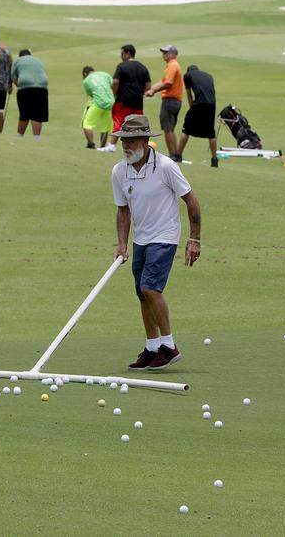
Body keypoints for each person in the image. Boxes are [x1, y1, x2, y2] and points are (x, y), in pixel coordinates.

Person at [111, 114, 202, 372]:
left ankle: (169, 346)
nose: (125, 145)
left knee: (150, 287)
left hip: (165, 236)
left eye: (130, 140)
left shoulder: (165, 167)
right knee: (142, 293)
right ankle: (152, 349)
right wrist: (121, 244)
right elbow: (123, 211)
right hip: (141, 238)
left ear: (144, 140)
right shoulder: (119, 171)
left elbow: (191, 200)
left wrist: (194, 238)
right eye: (122, 140)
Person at [100, 44, 151, 153]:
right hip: (137, 101)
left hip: (123, 100)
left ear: (128, 53)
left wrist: (114, 93)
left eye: (122, 53)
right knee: (136, 124)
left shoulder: (122, 66)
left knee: (119, 121)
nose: (121, 56)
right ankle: (138, 146)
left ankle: (112, 145)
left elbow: (115, 82)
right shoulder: (143, 67)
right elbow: (148, 86)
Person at [145, 45, 186, 161]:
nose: (164, 55)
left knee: (167, 129)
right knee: (170, 129)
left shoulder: (173, 65)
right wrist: (150, 89)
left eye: (166, 52)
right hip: (175, 100)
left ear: (173, 54)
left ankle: (173, 155)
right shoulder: (172, 65)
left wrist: (153, 90)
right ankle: (176, 154)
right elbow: (163, 81)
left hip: (170, 100)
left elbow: (168, 83)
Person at [180, 64, 218, 168]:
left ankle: (178, 155)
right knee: (211, 133)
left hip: (199, 103)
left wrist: (192, 107)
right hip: (212, 104)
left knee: (186, 129)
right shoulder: (209, 75)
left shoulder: (187, 75)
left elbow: (189, 94)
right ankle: (214, 160)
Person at [11, 48, 48, 139]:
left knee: (25, 114)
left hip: (26, 89)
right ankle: (37, 138)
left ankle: (20, 136)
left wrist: (19, 86)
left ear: (20, 55)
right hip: (42, 89)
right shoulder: (38, 60)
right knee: (37, 115)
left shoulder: (18, 61)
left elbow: (13, 77)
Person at [81, 66, 114, 149]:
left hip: (99, 103)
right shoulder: (104, 74)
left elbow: (91, 94)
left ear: (85, 74)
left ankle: (91, 144)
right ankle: (102, 147)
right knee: (105, 126)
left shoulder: (86, 80)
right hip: (111, 102)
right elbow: (113, 85)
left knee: (86, 123)